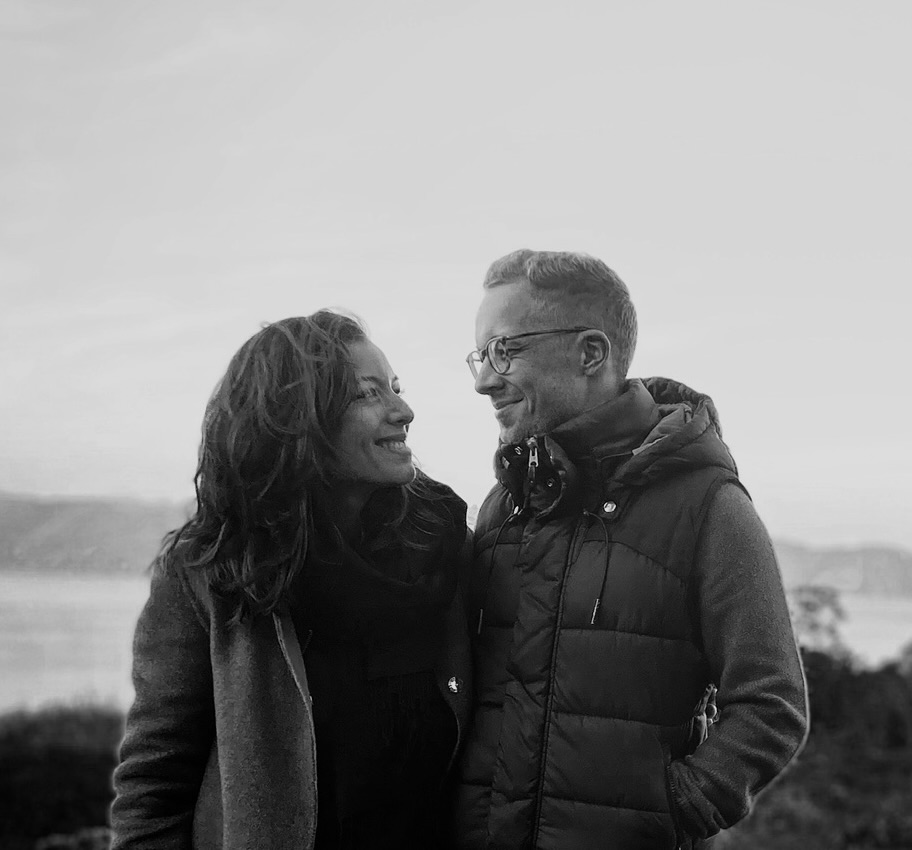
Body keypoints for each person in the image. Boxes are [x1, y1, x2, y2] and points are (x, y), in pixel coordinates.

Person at [453, 250, 808, 850]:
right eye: (479, 356)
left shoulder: (707, 507)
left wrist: (670, 811)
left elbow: (772, 703)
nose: (484, 379)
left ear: (591, 353)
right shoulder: (504, 503)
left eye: (504, 350)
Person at [110, 310, 471, 850]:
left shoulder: (443, 550)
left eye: (395, 388)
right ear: (298, 420)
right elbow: (154, 787)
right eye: (368, 394)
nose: (404, 411)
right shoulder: (211, 574)